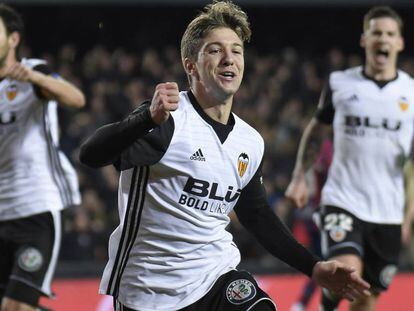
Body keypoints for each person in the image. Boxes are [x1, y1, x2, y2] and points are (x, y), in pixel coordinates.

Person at [80, 1, 370, 311]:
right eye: (215, 50)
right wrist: (145, 120)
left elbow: (256, 214)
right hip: (150, 292)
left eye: (236, 50)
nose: (229, 58)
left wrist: (314, 267)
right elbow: (91, 154)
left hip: (215, 276)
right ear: (191, 65)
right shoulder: (168, 121)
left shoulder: (250, 141)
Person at [285, 6, 414, 311]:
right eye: (376, 32)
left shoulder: (411, 92)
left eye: (389, 34)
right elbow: (316, 130)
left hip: (388, 212)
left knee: (367, 296)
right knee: (347, 274)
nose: (383, 39)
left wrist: (408, 213)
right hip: (343, 200)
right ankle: (326, 305)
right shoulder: (340, 84)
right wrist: (299, 176)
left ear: (399, 43)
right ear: (364, 39)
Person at [0, 4, 85, 311]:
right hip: (1, 212)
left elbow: (75, 98)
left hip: (34, 207)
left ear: (12, 39)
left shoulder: (33, 72)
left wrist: (36, 80)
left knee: (16, 306)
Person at [290, 138, 333, 311]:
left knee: (325, 261)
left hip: (321, 214)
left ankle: (304, 303)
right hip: (321, 216)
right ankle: (311, 303)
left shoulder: (320, 149)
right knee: (324, 261)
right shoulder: (325, 150)